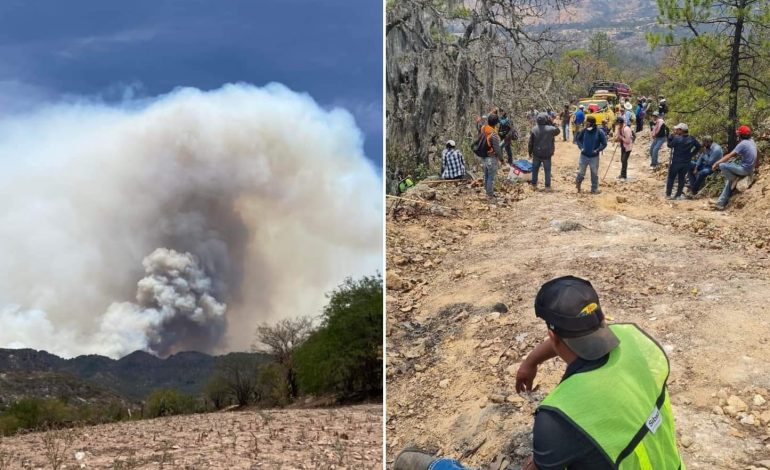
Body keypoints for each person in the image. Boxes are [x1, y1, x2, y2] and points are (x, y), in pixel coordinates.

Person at [394, 276, 685, 470]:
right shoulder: (635, 338)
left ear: (552, 334)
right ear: (602, 320)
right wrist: (530, 361)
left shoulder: (559, 416)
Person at [710, 125, 757, 210]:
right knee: (729, 182)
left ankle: (734, 178)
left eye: (738, 135)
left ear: (740, 135)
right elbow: (757, 155)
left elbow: (730, 155)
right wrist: (755, 168)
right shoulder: (752, 141)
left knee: (722, 165)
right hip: (749, 169)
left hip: (744, 169)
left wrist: (716, 163)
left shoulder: (743, 144)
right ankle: (720, 203)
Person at [666, 123, 700, 200]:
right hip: (686, 162)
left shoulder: (677, 139)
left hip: (676, 162)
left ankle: (668, 194)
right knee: (681, 178)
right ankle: (678, 195)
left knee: (671, 177)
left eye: (677, 129)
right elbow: (698, 146)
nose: (676, 131)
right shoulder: (692, 138)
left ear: (681, 130)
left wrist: (669, 138)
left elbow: (670, 145)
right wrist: (691, 154)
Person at [528, 112, 561, 190]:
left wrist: (529, 152)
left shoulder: (534, 129)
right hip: (547, 154)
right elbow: (558, 131)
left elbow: (530, 143)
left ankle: (534, 185)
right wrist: (552, 123)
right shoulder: (551, 129)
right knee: (547, 170)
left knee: (535, 169)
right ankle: (547, 186)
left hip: (536, 153)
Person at [575, 115, 607, 194]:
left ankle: (594, 189)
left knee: (594, 174)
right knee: (581, 172)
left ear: (593, 124)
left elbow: (604, 143)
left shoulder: (599, 132)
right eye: (586, 123)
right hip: (584, 156)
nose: (586, 125)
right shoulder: (584, 130)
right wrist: (581, 147)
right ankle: (578, 184)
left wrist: (598, 150)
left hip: (594, 157)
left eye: (588, 124)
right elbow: (578, 139)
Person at [481, 114, 505, 198]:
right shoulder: (493, 134)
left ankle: (488, 192)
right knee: (491, 177)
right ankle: (490, 195)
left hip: (484, 157)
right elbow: (497, 149)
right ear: (495, 123)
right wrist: (501, 159)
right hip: (491, 157)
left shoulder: (484, 129)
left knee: (487, 175)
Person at [613, 116, 633, 181]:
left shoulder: (626, 129)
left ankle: (624, 176)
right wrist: (617, 139)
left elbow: (628, 141)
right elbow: (618, 136)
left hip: (627, 147)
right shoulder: (619, 129)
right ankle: (622, 174)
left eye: (618, 124)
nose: (617, 125)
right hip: (623, 146)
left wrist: (620, 138)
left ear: (621, 123)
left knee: (624, 160)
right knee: (622, 160)